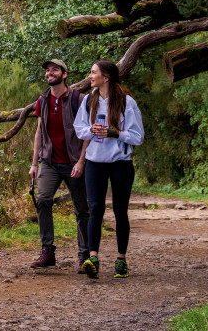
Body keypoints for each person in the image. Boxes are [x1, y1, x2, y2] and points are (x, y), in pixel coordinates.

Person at [74, 59, 145, 279]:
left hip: (120, 163)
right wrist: (91, 130)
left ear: (106, 77)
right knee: (95, 208)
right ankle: (93, 258)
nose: (90, 76)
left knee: (120, 210)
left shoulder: (126, 102)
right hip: (95, 163)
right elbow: (79, 130)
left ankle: (121, 260)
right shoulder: (88, 100)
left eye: (93, 72)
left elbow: (138, 137)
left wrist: (115, 133)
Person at [28, 58, 91, 270]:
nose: (49, 73)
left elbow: (87, 135)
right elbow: (39, 132)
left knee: (82, 209)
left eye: (54, 70)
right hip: (49, 161)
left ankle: (84, 256)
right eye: (47, 70)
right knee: (43, 200)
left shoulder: (78, 99)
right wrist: (34, 163)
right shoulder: (42, 100)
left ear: (64, 74)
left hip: (74, 161)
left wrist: (82, 161)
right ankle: (47, 251)